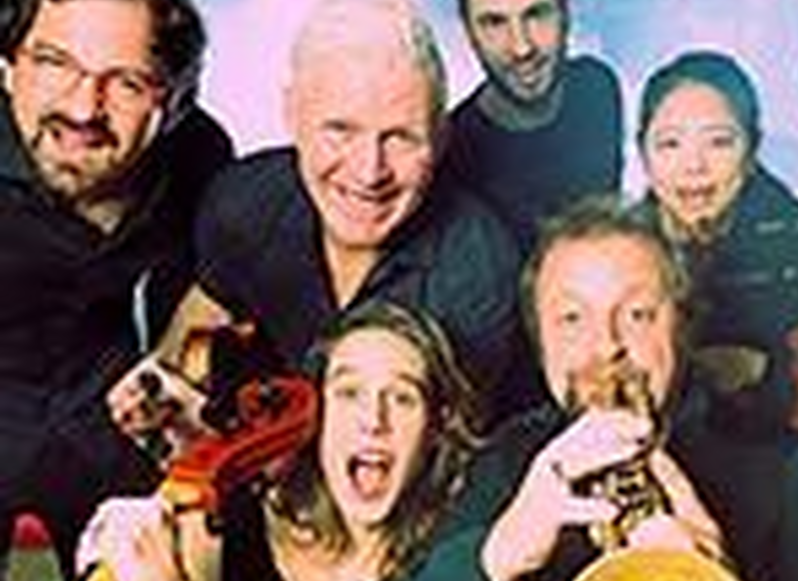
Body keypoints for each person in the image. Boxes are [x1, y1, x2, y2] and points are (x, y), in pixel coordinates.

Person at [375, 197, 798, 581]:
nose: (606, 347)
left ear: (684, 325)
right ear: (539, 342)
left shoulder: (792, 468)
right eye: (571, 319)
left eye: (638, 315)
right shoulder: (505, 461)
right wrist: (504, 551)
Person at [0, 300, 482, 581]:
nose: (373, 420)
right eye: (349, 392)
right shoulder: (216, 524)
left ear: (437, 429)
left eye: (402, 398)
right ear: (315, 414)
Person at [108, 0, 520, 435]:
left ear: (440, 137)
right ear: (292, 115)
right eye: (341, 130)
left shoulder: (480, 270)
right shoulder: (241, 202)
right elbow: (190, 342)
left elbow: (450, 452)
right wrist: (160, 396)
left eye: (401, 137)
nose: (369, 172)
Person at [0, 0, 233, 581]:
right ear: (7, 65)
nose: (84, 108)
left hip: (106, 420)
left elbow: (207, 293)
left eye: (126, 83)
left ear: (175, 100)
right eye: (55, 63)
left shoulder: (201, 159)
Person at [635, 50, 798, 430]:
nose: (694, 166)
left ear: (752, 150)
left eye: (719, 142)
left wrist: (762, 372)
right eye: (670, 144)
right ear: (643, 153)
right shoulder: (619, 252)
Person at [447, 0, 622, 258]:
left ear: (565, 15)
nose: (522, 48)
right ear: (469, 34)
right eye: (494, 23)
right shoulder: (450, 154)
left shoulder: (596, 86)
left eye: (536, 14)